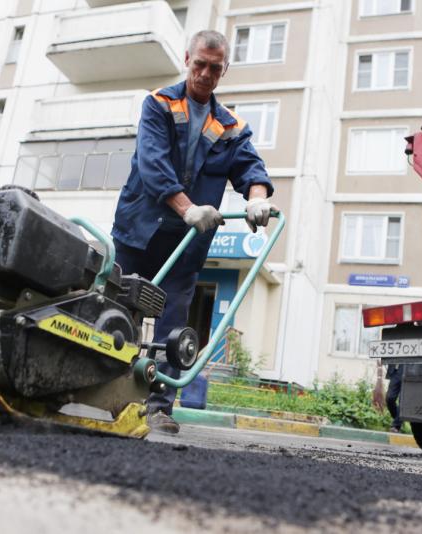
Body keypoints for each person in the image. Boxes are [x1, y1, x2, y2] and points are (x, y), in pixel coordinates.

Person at [111, 30, 275, 434]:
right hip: (140, 230)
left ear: (224, 71)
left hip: (186, 244)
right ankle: (104, 392)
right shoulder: (159, 104)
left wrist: (255, 198)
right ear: (187, 58)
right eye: (199, 64)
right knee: (116, 312)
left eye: (214, 68)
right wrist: (187, 209)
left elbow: (250, 168)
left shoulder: (230, 125)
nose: (204, 74)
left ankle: (158, 407)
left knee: (172, 323)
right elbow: (152, 164)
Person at [386, 364, 403, 433]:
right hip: (395, 371)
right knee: (389, 398)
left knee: (403, 400)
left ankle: (396, 425)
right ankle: (399, 418)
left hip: (408, 371)